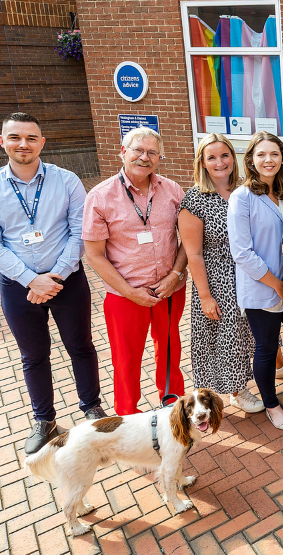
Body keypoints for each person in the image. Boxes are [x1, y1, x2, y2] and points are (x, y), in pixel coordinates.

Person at [0, 112, 105, 454]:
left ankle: (92, 408)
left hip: (67, 282)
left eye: (31, 138)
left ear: (42, 142)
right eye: (15, 137)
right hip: (19, 287)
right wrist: (32, 280)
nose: (23, 144)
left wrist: (55, 277)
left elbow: (80, 231)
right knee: (33, 355)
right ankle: (44, 420)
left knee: (81, 347)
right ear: (2, 142)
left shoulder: (67, 180)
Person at [82, 127, 188, 416]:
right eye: (138, 150)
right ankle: (127, 416)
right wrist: (130, 292)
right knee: (126, 359)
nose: (145, 157)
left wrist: (175, 276)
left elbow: (188, 241)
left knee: (169, 350)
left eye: (152, 152)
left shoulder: (172, 190)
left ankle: (172, 407)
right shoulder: (100, 196)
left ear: (159, 157)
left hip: (170, 289)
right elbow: (94, 255)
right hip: (125, 295)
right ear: (123, 152)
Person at [228, 131, 283, 431]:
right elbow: (242, 252)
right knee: (266, 349)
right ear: (251, 158)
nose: (268, 160)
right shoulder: (242, 197)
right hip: (263, 287)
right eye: (262, 154)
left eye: (275, 154)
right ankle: (272, 405)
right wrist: (277, 284)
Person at [179, 134, 263, 413]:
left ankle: (271, 369)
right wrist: (205, 295)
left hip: (249, 273)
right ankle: (236, 391)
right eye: (211, 157)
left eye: (224, 155)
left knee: (254, 329)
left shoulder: (245, 190)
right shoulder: (195, 199)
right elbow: (194, 254)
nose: (219, 162)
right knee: (229, 336)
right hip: (218, 278)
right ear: (202, 163)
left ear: (233, 158)